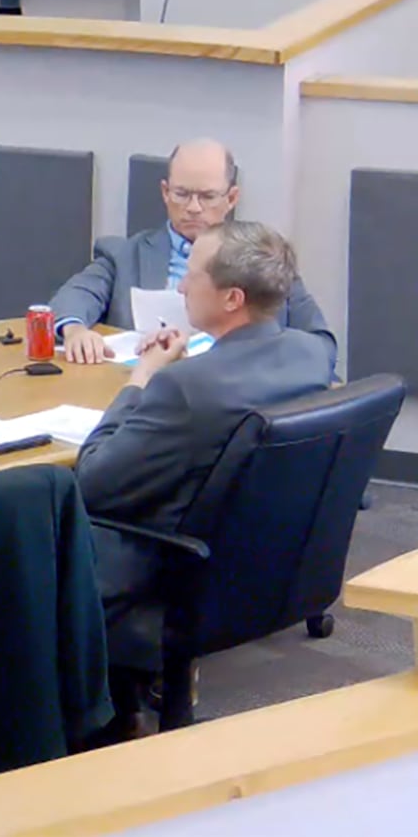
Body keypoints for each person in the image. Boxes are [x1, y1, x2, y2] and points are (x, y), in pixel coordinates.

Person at [72, 221, 335, 736]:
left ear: (232, 297)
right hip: (267, 568)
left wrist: (142, 378)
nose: (180, 287)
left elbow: (92, 481)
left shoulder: (184, 389)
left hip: (165, 570)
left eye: (191, 276)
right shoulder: (312, 355)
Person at [49, 138, 336, 369]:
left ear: (232, 198)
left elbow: (321, 346)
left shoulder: (263, 261)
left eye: (207, 196)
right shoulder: (125, 254)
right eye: (182, 194)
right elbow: (71, 299)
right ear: (165, 192)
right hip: (145, 390)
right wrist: (74, 330)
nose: (194, 208)